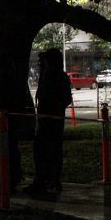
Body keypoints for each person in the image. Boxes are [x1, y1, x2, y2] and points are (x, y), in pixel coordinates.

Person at [26, 48, 72, 194]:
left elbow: (65, 99)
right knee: (46, 152)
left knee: (49, 152)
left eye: (43, 61)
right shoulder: (48, 76)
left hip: (51, 121)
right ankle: (46, 180)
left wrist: (51, 108)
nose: (41, 64)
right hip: (49, 120)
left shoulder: (56, 77)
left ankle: (50, 180)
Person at [0, 66, 33, 194]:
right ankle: (12, 181)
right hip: (12, 126)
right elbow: (22, 106)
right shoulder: (16, 87)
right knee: (12, 154)